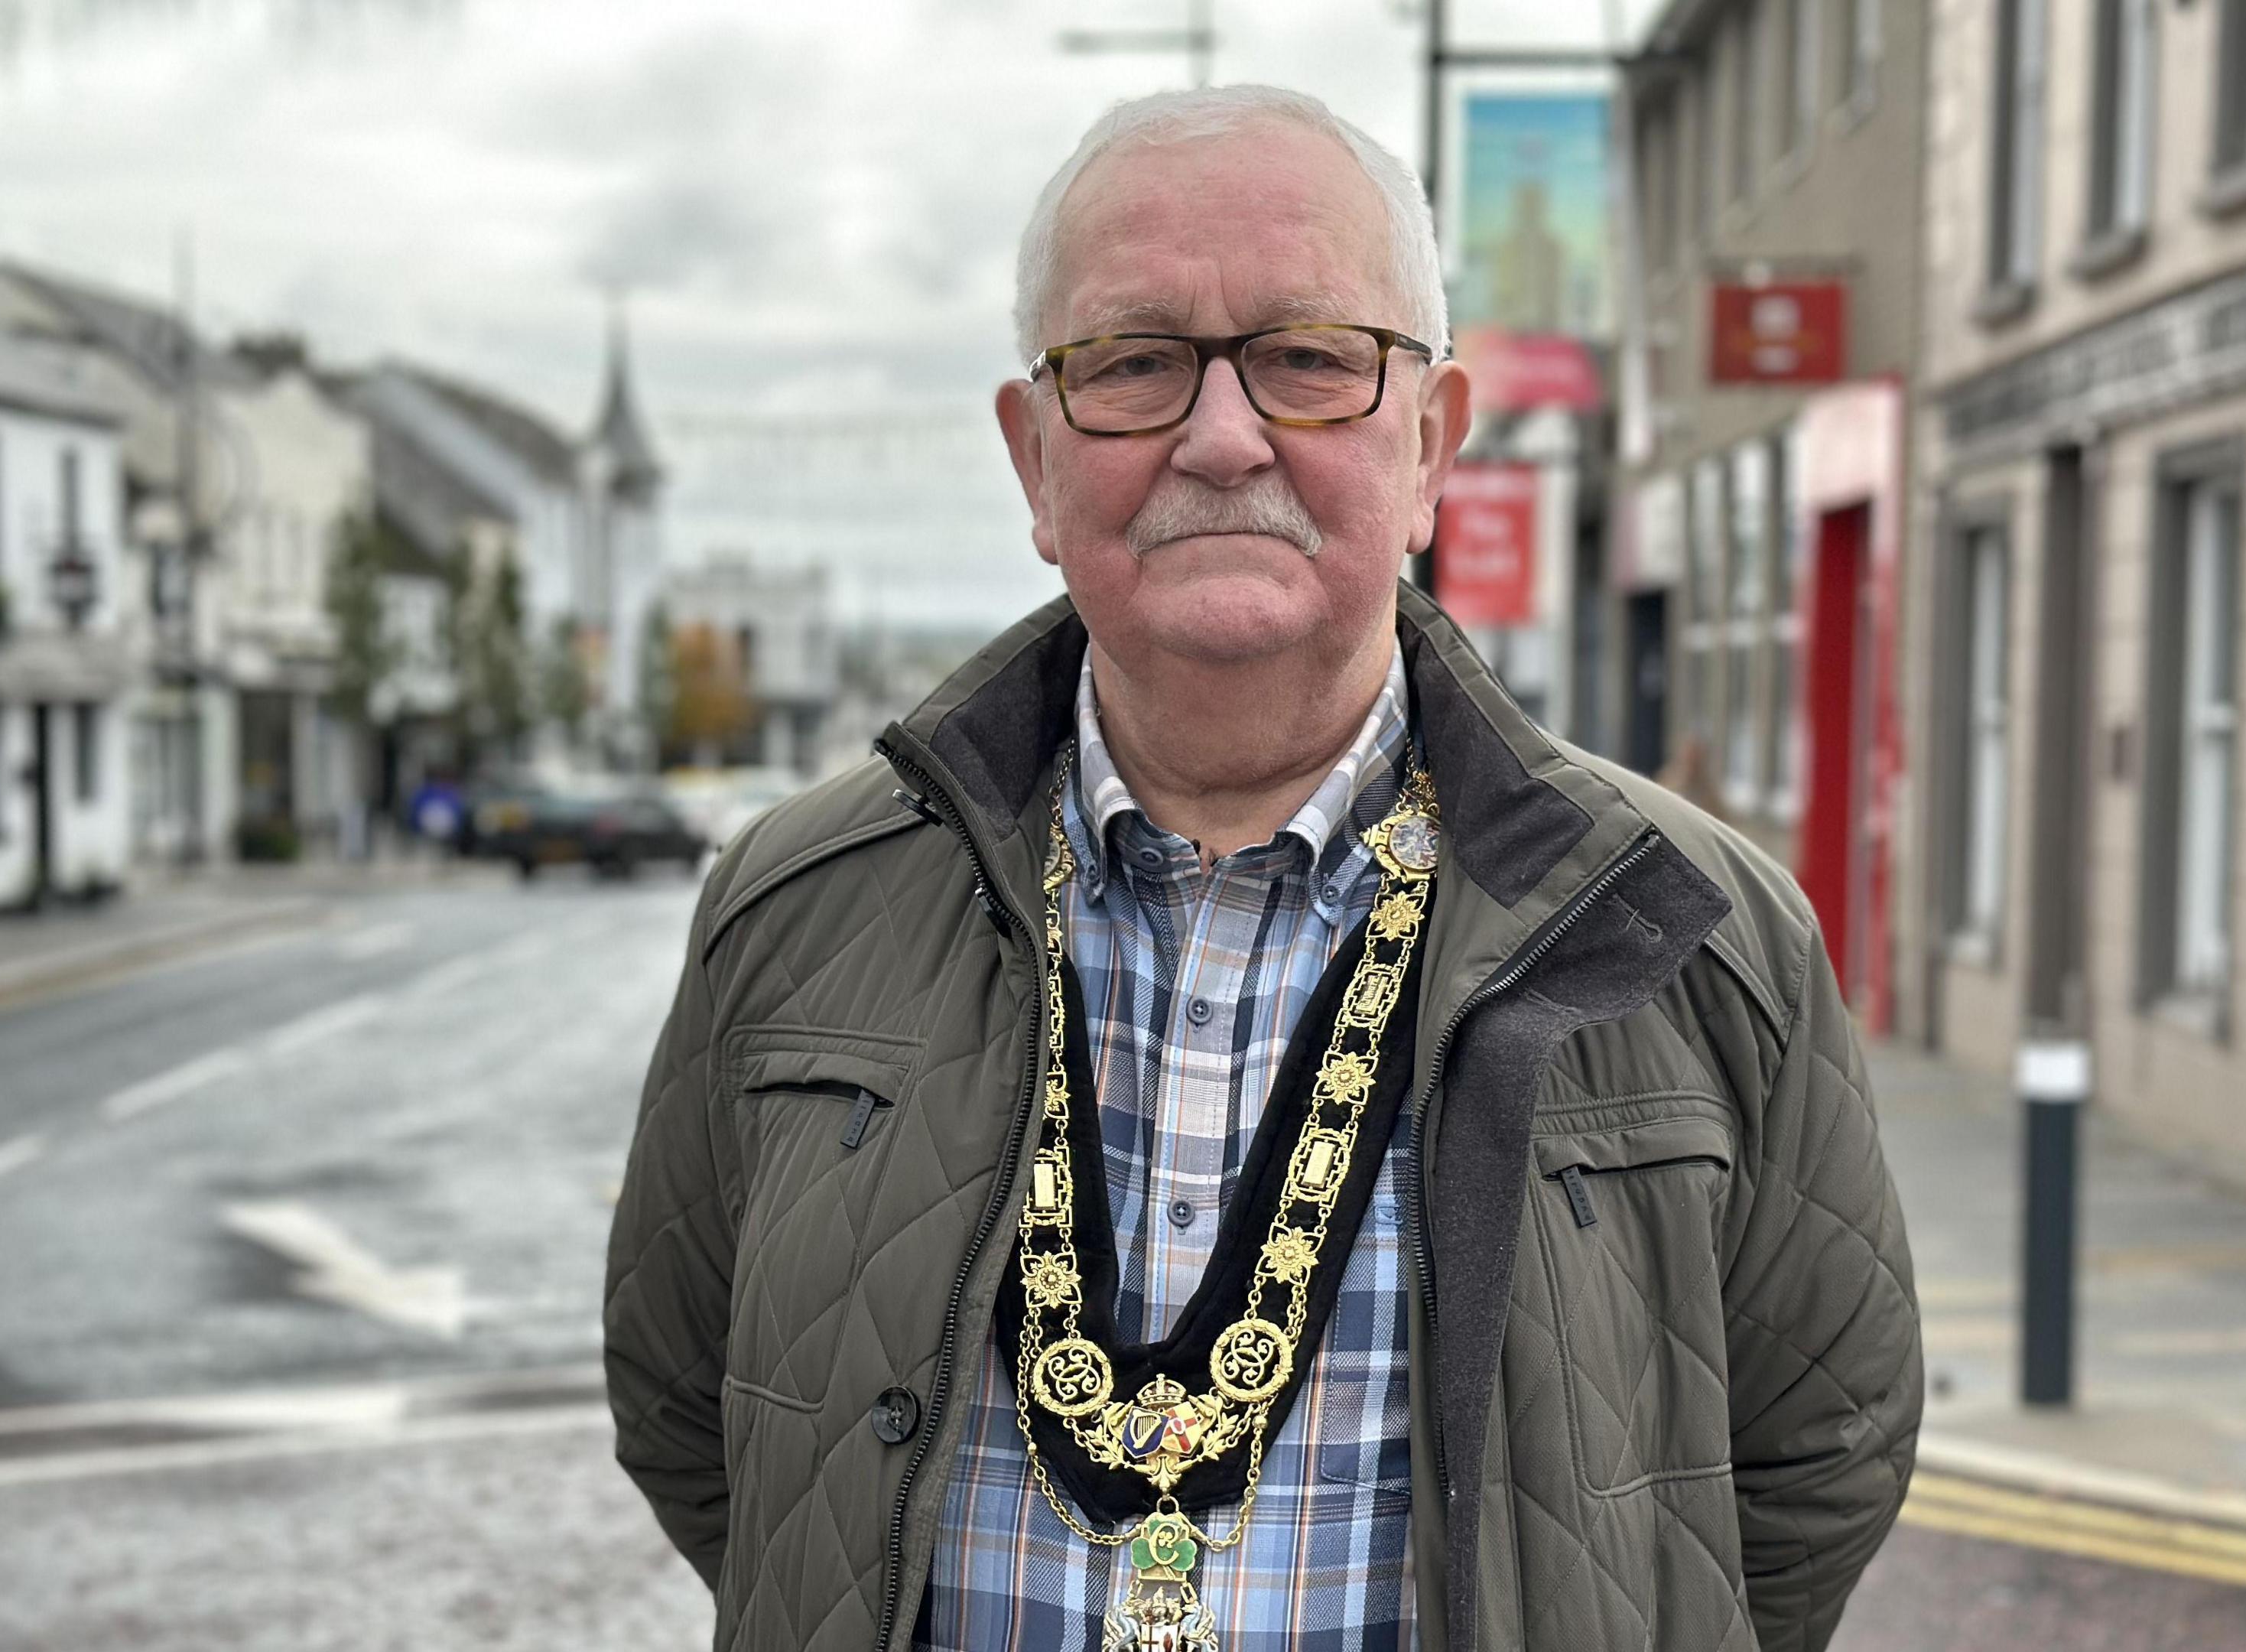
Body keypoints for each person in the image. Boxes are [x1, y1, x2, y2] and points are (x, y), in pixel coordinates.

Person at [605, 85, 1921, 1652]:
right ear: (1035, 461)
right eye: (1136, 363)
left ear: (1431, 441)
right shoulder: (797, 907)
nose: (1222, 437)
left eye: (1308, 358)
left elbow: (1808, 1463)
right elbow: (708, 1424)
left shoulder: (1691, 935)